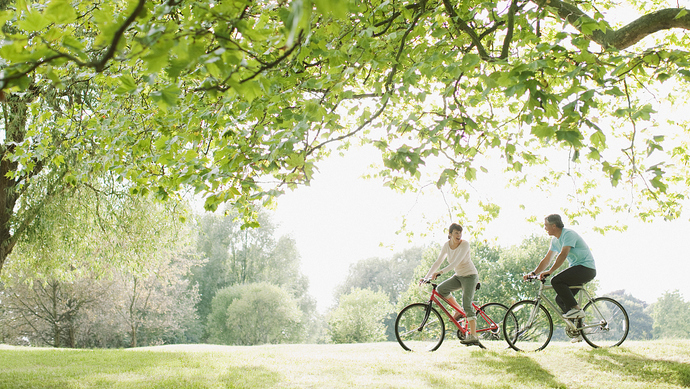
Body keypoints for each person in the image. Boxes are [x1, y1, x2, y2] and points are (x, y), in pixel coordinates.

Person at [525, 214, 597, 322]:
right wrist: (534, 273)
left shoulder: (568, 234)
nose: (544, 228)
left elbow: (563, 254)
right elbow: (547, 260)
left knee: (556, 280)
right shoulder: (555, 241)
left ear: (554, 226)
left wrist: (550, 271)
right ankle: (578, 329)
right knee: (560, 299)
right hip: (577, 269)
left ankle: (577, 309)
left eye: (546, 225)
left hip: (586, 269)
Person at [423, 223, 480, 346]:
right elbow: (438, 261)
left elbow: (456, 262)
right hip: (459, 276)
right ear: (450, 234)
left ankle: (474, 335)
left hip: (470, 276)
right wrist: (426, 277)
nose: (459, 235)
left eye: (460, 233)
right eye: (456, 233)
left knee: (467, 304)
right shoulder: (446, 246)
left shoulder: (465, 244)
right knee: (441, 289)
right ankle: (459, 310)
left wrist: (441, 272)